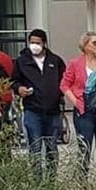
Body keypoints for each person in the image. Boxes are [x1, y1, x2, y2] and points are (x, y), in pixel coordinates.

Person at [12, 28, 66, 176]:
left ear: (44, 43)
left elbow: (64, 81)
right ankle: (37, 179)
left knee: (52, 147)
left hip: (53, 111)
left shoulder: (55, 61)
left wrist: (60, 95)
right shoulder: (22, 62)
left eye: (38, 43)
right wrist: (19, 89)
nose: (34, 45)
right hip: (32, 110)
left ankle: (51, 179)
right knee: (34, 146)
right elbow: (14, 81)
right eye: (32, 42)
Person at [60, 31, 96, 173]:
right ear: (85, 45)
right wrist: (76, 102)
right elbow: (64, 85)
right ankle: (82, 183)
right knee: (85, 148)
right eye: (94, 43)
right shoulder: (75, 63)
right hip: (84, 109)